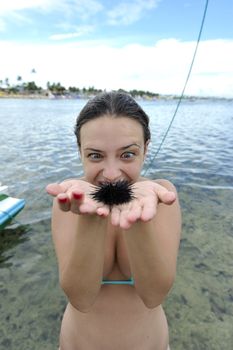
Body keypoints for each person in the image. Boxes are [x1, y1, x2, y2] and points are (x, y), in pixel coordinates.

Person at [46, 91, 181, 350]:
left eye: (127, 154)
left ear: (146, 148)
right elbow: (81, 298)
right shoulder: (71, 200)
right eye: (95, 155)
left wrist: (139, 219)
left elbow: (153, 296)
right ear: (80, 151)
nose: (111, 174)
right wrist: (91, 217)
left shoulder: (162, 197)